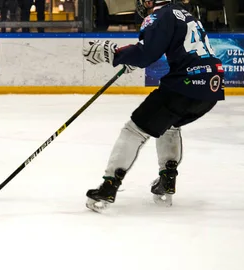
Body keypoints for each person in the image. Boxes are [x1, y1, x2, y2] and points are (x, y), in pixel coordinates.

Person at [81, 0, 225, 211]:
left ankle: (109, 186)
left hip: (185, 85)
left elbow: (146, 54)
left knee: (134, 130)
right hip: (211, 89)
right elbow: (170, 49)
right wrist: (134, 56)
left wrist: (114, 53)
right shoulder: (185, 15)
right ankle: (167, 181)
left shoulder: (159, 15)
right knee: (169, 125)